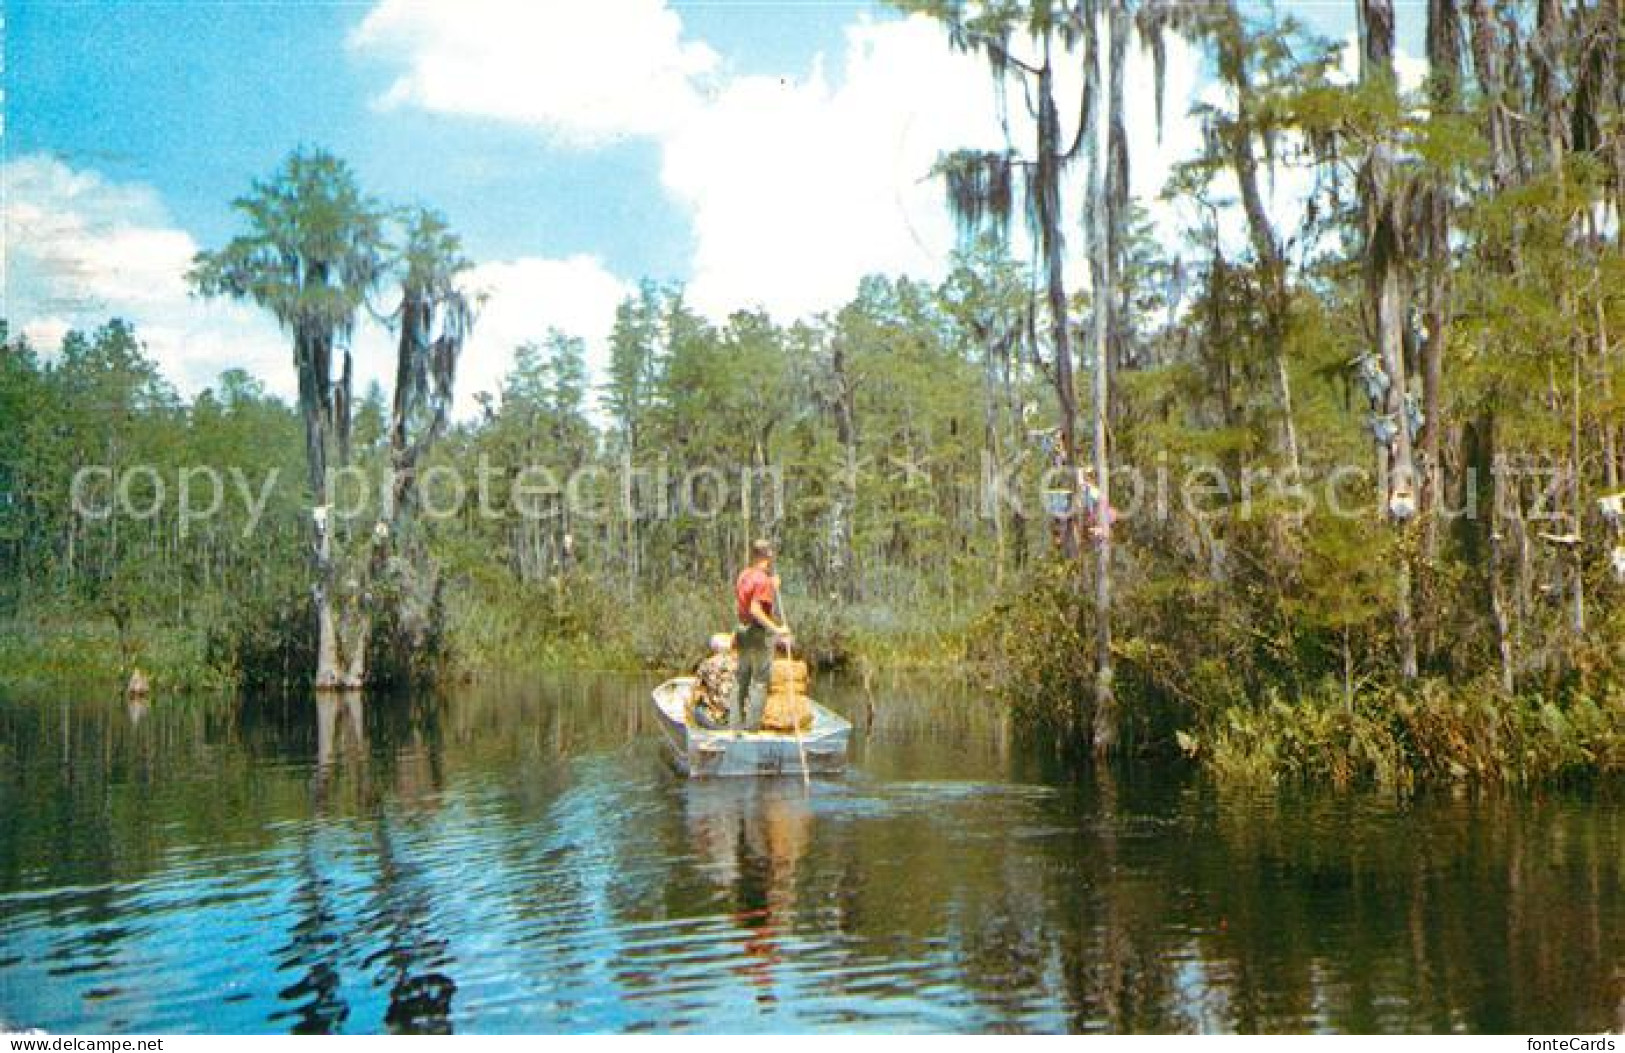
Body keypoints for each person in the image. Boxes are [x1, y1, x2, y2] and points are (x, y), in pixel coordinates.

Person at [731, 539, 791, 731]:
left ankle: (735, 726)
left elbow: (742, 603)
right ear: (768, 555)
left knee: (741, 678)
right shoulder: (762, 580)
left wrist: (772, 588)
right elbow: (756, 609)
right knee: (759, 682)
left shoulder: (744, 575)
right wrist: (777, 630)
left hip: (742, 629)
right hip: (757, 633)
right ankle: (751, 729)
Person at [691, 633, 736, 730]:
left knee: (696, 708)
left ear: (714, 648)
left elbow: (696, 693)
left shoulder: (706, 664)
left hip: (715, 720)